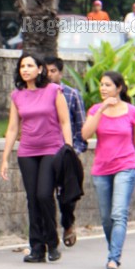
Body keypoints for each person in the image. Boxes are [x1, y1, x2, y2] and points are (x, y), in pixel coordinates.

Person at [0, 52, 73, 263]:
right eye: (22, 66)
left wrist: (68, 149)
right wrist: (5, 158)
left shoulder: (53, 91)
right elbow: (13, 129)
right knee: (32, 199)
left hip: (51, 149)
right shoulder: (17, 95)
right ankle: (37, 248)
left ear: (40, 69)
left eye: (30, 66)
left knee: (43, 195)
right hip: (27, 152)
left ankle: (52, 241)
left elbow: (65, 122)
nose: (25, 70)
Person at [82, 71, 135, 269]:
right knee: (106, 218)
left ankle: (114, 257)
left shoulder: (133, 112)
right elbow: (85, 134)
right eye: (101, 85)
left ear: (119, 88)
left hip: (126, 167)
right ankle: (113, 248)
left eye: (107, 85)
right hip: (101, 169)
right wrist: (101, 110)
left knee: (118, 213)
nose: (103, 88)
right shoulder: (96, 110)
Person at [46, 56, 87, 247]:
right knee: (44, 194)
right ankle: (48, 232)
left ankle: (68, 223)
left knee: (67, 195)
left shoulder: (71, 95)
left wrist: (75, 150)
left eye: (53, 71)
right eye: (46, 70)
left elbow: (80, 126)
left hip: (66, 152)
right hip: (45, 152)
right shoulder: (36, 94)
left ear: (60, 73)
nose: (49, 74)